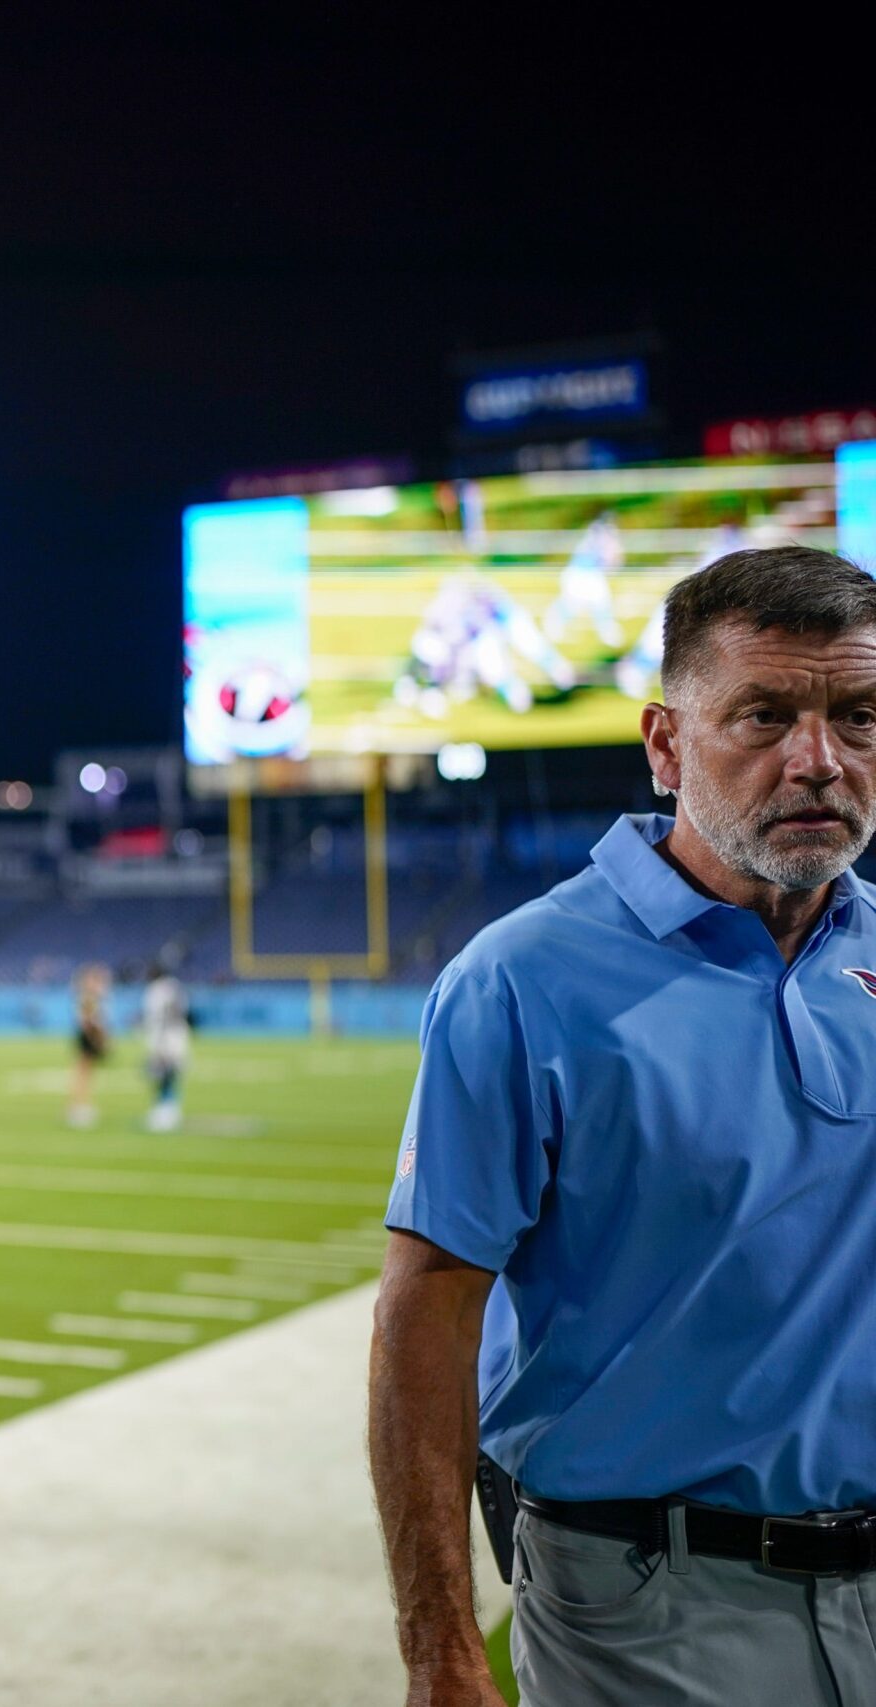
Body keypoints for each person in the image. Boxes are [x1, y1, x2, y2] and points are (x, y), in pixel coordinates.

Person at [371, 545, 876, 1707]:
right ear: (664, 745)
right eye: (763, 716)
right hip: (650, 1609)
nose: (817, 760)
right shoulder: (524, 977)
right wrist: (438, 1648)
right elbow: (427, 1309)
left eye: (857, 717)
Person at [139, 960, 191, 1132]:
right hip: (178, 1035)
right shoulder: (175, 987)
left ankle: (164, 1110)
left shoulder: (155, 991)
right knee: (171, 1074)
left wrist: (159, 1042)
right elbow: (184, 1011)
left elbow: (158, 1017)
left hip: (164, 1036)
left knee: (162, 1075)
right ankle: (171, 1109)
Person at [66, 961, 110, 1128]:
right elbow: (87, 1019)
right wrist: (97, 1038)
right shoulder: (87, 996)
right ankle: (77, 1107)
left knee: (85, 1072)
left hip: (87, 1035)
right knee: (83, 1072)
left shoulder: (89, 995)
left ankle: (80, 1105)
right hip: (87, 1036)